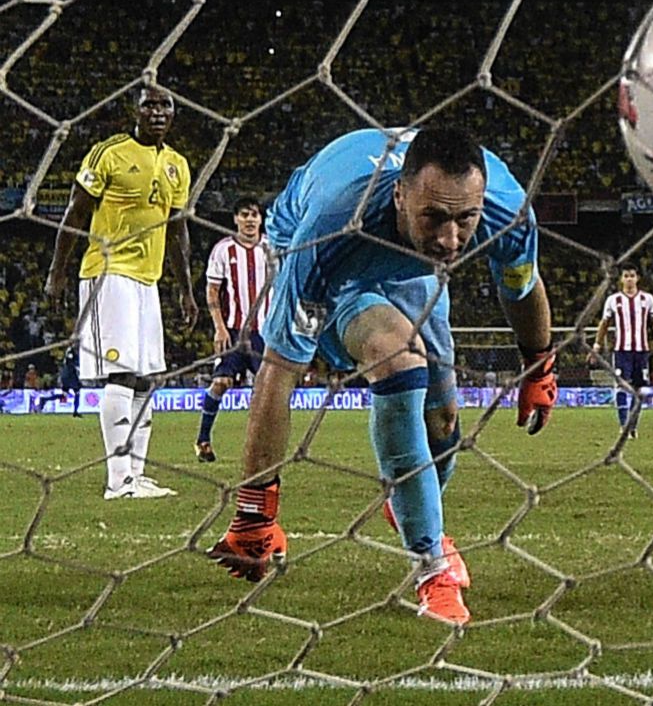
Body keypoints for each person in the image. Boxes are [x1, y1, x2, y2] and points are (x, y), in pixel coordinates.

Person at [208, 127, 556, 627]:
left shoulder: (508, 211)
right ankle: (432, 567)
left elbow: (523, 288)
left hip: (414, 269)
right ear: (399, 193)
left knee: (443, 420)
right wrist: (254, 512)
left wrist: (538, 366)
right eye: (434, 217)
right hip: (334, 263)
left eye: (465, 219)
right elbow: (277, 374)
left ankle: (409, 505)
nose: (451, 238)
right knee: (398, 359)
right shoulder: (328, 232)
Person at [44, 87, 199, 499]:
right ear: (135, 109)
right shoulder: (108, 153)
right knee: (122, 373)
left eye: (165, 105)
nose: (157, 112)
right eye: (149, 104)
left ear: (174, 113)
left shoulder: (177, 165)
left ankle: (137, 473)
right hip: (107, 274)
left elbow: (178, 229)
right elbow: (75, 211)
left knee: (148, 378)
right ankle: (118, 480)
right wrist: (57, 272)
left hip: (147, 281)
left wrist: (185, 290)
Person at [197, 198, 272, 462]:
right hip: (233, 330)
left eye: (255, 215)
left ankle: (262, 447)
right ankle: (203, 440)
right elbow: (212, 290)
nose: (250, 220)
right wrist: (218, 327)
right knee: (221, 383)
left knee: (268, 391)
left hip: (265, 332)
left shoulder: (272, 248)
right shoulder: (223, 250)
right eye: (244, 215)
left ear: (261, 220)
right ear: (235, 219)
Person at [594, 265, 653, 429]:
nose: (629, 279)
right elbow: (604, 324)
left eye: (632, 275)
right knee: (621, 386)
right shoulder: (613, 300)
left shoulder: (648, 299)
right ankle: (623, 424)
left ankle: (633, 425)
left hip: (642, 351)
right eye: (626, 276)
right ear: (621, 279)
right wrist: (597, 345)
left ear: (637, 278)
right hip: (621, 351)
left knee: (641, 389)